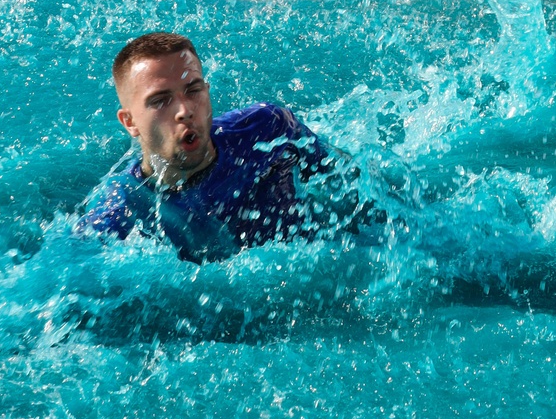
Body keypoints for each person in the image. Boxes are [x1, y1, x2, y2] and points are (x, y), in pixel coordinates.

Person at [77, 31, 371, 261]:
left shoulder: (266, 130)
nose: (184, 110)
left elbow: (351, 181)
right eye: (161, 100)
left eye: (193, 90)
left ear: (206, 91)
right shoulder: (122, 213)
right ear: (130, 122)